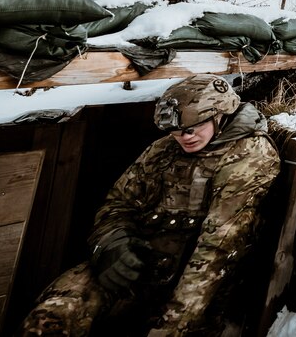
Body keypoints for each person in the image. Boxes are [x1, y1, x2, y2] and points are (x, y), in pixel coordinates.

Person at [21, 74, 281, 337]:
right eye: (176, 131)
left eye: (193, 128)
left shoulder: (250, 154)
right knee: (49, 319)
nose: (184, 137)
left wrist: (173, 324)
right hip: (143, 268)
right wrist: (112, 244)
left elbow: (218, 249)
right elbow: (118, 204)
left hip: (199, 285)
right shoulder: (163, 149)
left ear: (220, 114)